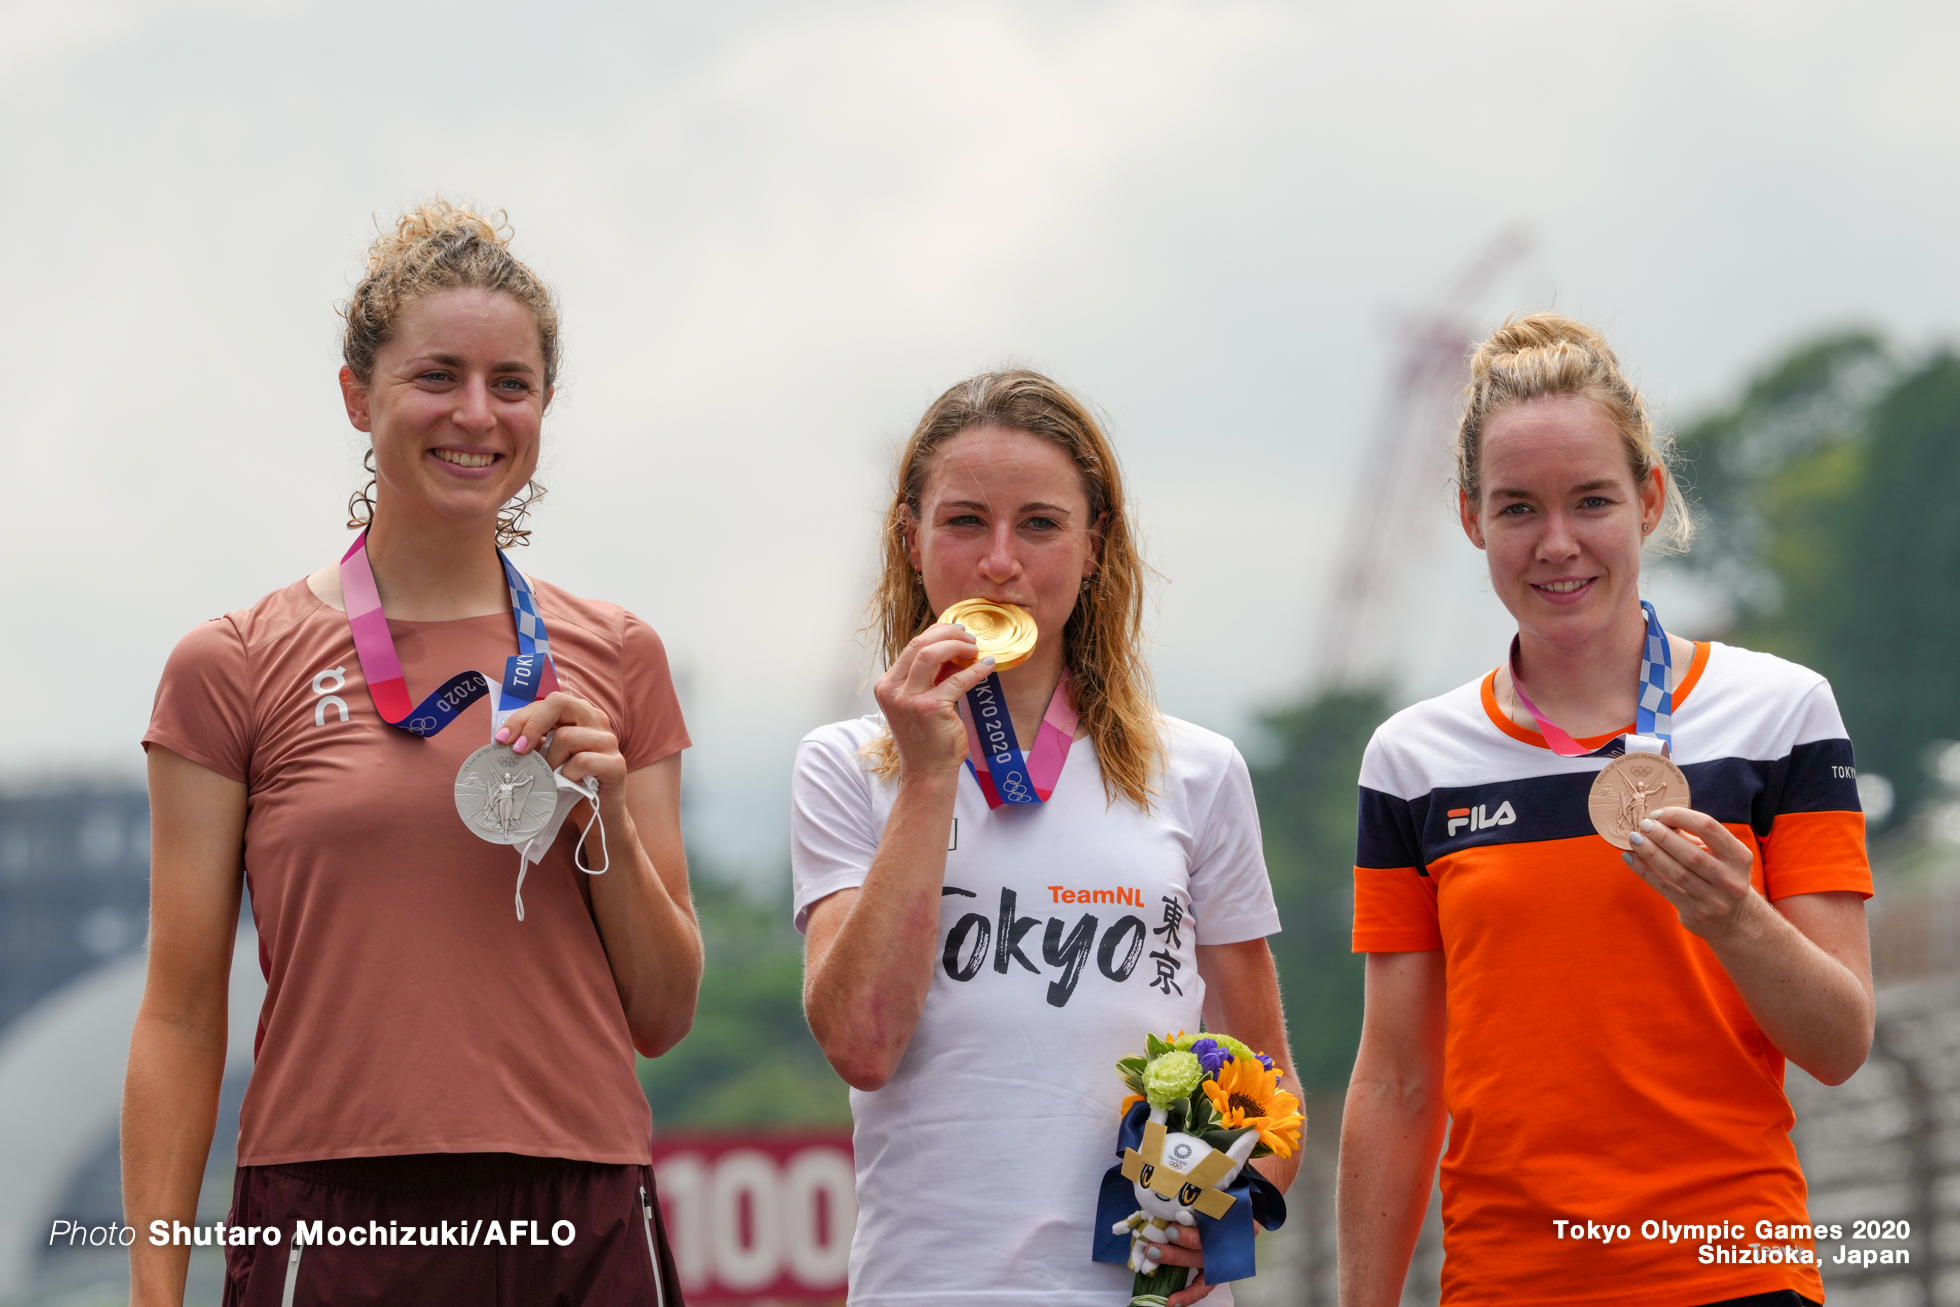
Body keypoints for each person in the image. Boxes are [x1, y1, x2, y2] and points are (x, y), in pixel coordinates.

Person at [124, 202, 698, 1306]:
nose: (475, 414)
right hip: (336, 1210)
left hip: (580, 1209)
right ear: (357, 394)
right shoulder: (231, 662)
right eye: (437, 375)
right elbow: (182, 1009)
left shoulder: (620, 656)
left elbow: (664, 1014)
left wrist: (607, 819)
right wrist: (155, 1287)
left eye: (512, 383)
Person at [1337, 314, 1875, 1307]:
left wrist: (1734, 915)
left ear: (1648, 498)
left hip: (1733, 1272)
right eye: (1516, 508)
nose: (1556, 543)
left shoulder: (1780, 712)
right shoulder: (1411, 761)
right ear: (1469, 517)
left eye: (1590, 500)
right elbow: (1397, 1082)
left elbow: (1838, 1042)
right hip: (1508, 1282)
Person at [792, 370, 1299, 1307]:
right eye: (963, 522)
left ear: (1095, 544)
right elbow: (863, 1043)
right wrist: (930, 774)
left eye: (1039, 523)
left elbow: (1266, 1074)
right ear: (910, 541)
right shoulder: (845, 766)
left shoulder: (1201, 770)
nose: (999, 562)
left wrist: (1232, 1214)